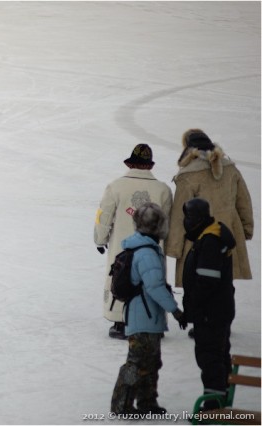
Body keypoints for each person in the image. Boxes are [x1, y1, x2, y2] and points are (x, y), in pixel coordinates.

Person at [110, 202, 187, 416]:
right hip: (143, 317)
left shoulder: (144, 248)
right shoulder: (147, 253)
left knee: (151, 362)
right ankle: (122, 404)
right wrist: (175, 310)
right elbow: (154, 287)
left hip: (146, 317)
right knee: (136, 362)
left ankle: (147, 402)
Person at [94, 144, 173, 339]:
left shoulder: (116, 186)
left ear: (130, 163)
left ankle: (121, 321)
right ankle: (151, 322)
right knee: (151, 280)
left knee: (123, 277)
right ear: (149, 166)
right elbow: (167, 224)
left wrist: (100, 239)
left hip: (123, 247)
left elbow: (103, 216)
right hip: (152, 247)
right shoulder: (162, 190)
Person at [165, 129, 253, 288]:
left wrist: (174, 247)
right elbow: (244, 202)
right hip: (228, 234)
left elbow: (180, 214)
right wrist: (246, 229)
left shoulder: (188, 175)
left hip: (198, 240)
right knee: (224, 282)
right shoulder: (231, 169)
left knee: (198, 285)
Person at [181, 198, 236, 409]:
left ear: (197, 219)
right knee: (217, 355)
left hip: (211, 312)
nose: (186, 221)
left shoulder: (211, 240)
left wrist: (192, 308)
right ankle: (220, 399)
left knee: (210, 358)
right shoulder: (209, 235)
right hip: (215, 310)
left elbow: (206, 282)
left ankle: (213, 405)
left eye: (189, 217)